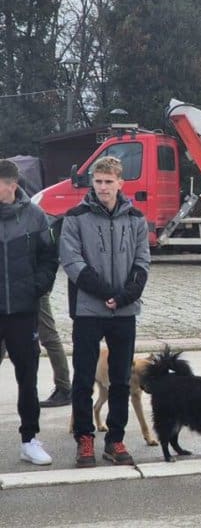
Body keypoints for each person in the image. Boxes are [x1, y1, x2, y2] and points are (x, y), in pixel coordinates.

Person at [60, 156, 151, 467]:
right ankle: (85, 438)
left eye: (108, 182)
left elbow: (142, 262)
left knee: (122, 381)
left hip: (124, 312)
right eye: (98, 181)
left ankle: (116, 439)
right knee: (84, 378)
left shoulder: (136, 218)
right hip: (88, 310)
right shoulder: (75, 217)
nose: (102, 187)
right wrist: (105, 292)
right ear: (92, 182)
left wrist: (124, 296)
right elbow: (72, 262)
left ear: (120, 183)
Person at [0, 159, 58, 465]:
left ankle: (29, 439)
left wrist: (38, 287)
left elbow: (50, 257)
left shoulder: (35, 216)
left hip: (23, 311)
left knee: (27, 378)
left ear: (12, 185)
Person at [0, 294, 71, 407]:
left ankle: (64, 388)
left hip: (33, 290)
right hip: (11, 289)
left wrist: (38, 285)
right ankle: (64, 387)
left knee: (49, 336)